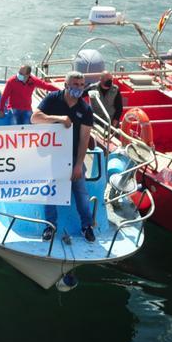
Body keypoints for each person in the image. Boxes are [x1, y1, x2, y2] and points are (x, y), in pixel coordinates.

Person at [32, 71, 96, 243]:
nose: (79, 88)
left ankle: (86, 226)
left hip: (74, 157)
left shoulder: (85, 109)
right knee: (50, 190)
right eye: (75, 84)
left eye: (82, 85)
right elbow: (35, 118)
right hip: (52, 156)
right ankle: (50, 225)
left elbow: (84, 139)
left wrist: (78, 165)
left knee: (81, 191)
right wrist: (59, 119)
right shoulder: (53, 99)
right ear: (66, 85)